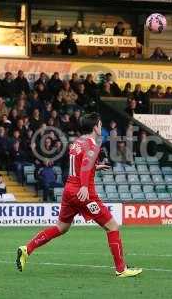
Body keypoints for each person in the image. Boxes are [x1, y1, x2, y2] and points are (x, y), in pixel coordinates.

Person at [16, 113, 142, 278]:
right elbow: (84, 165)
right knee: (112, 226)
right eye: (100, 124)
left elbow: (80, 163)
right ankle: (121, 269)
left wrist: (95, 167)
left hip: (69, 190)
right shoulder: (92, 144)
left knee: (61, 227)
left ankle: (27, 249)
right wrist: (83, 186)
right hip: (83, 193)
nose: (101, 127)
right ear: (95, 127)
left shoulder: (76, 143)